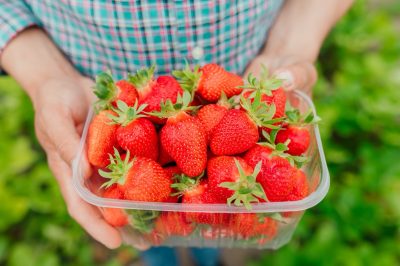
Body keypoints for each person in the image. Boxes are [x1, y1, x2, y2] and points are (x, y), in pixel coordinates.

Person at [0, 1, 353, 265]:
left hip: (247, 82)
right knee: (149, 226)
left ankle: (204, 255)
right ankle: (164, 259)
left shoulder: (233, 129)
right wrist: (46, 74)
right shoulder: (138, 130)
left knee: (206, 224)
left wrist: (291, 46)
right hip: (102, 91)